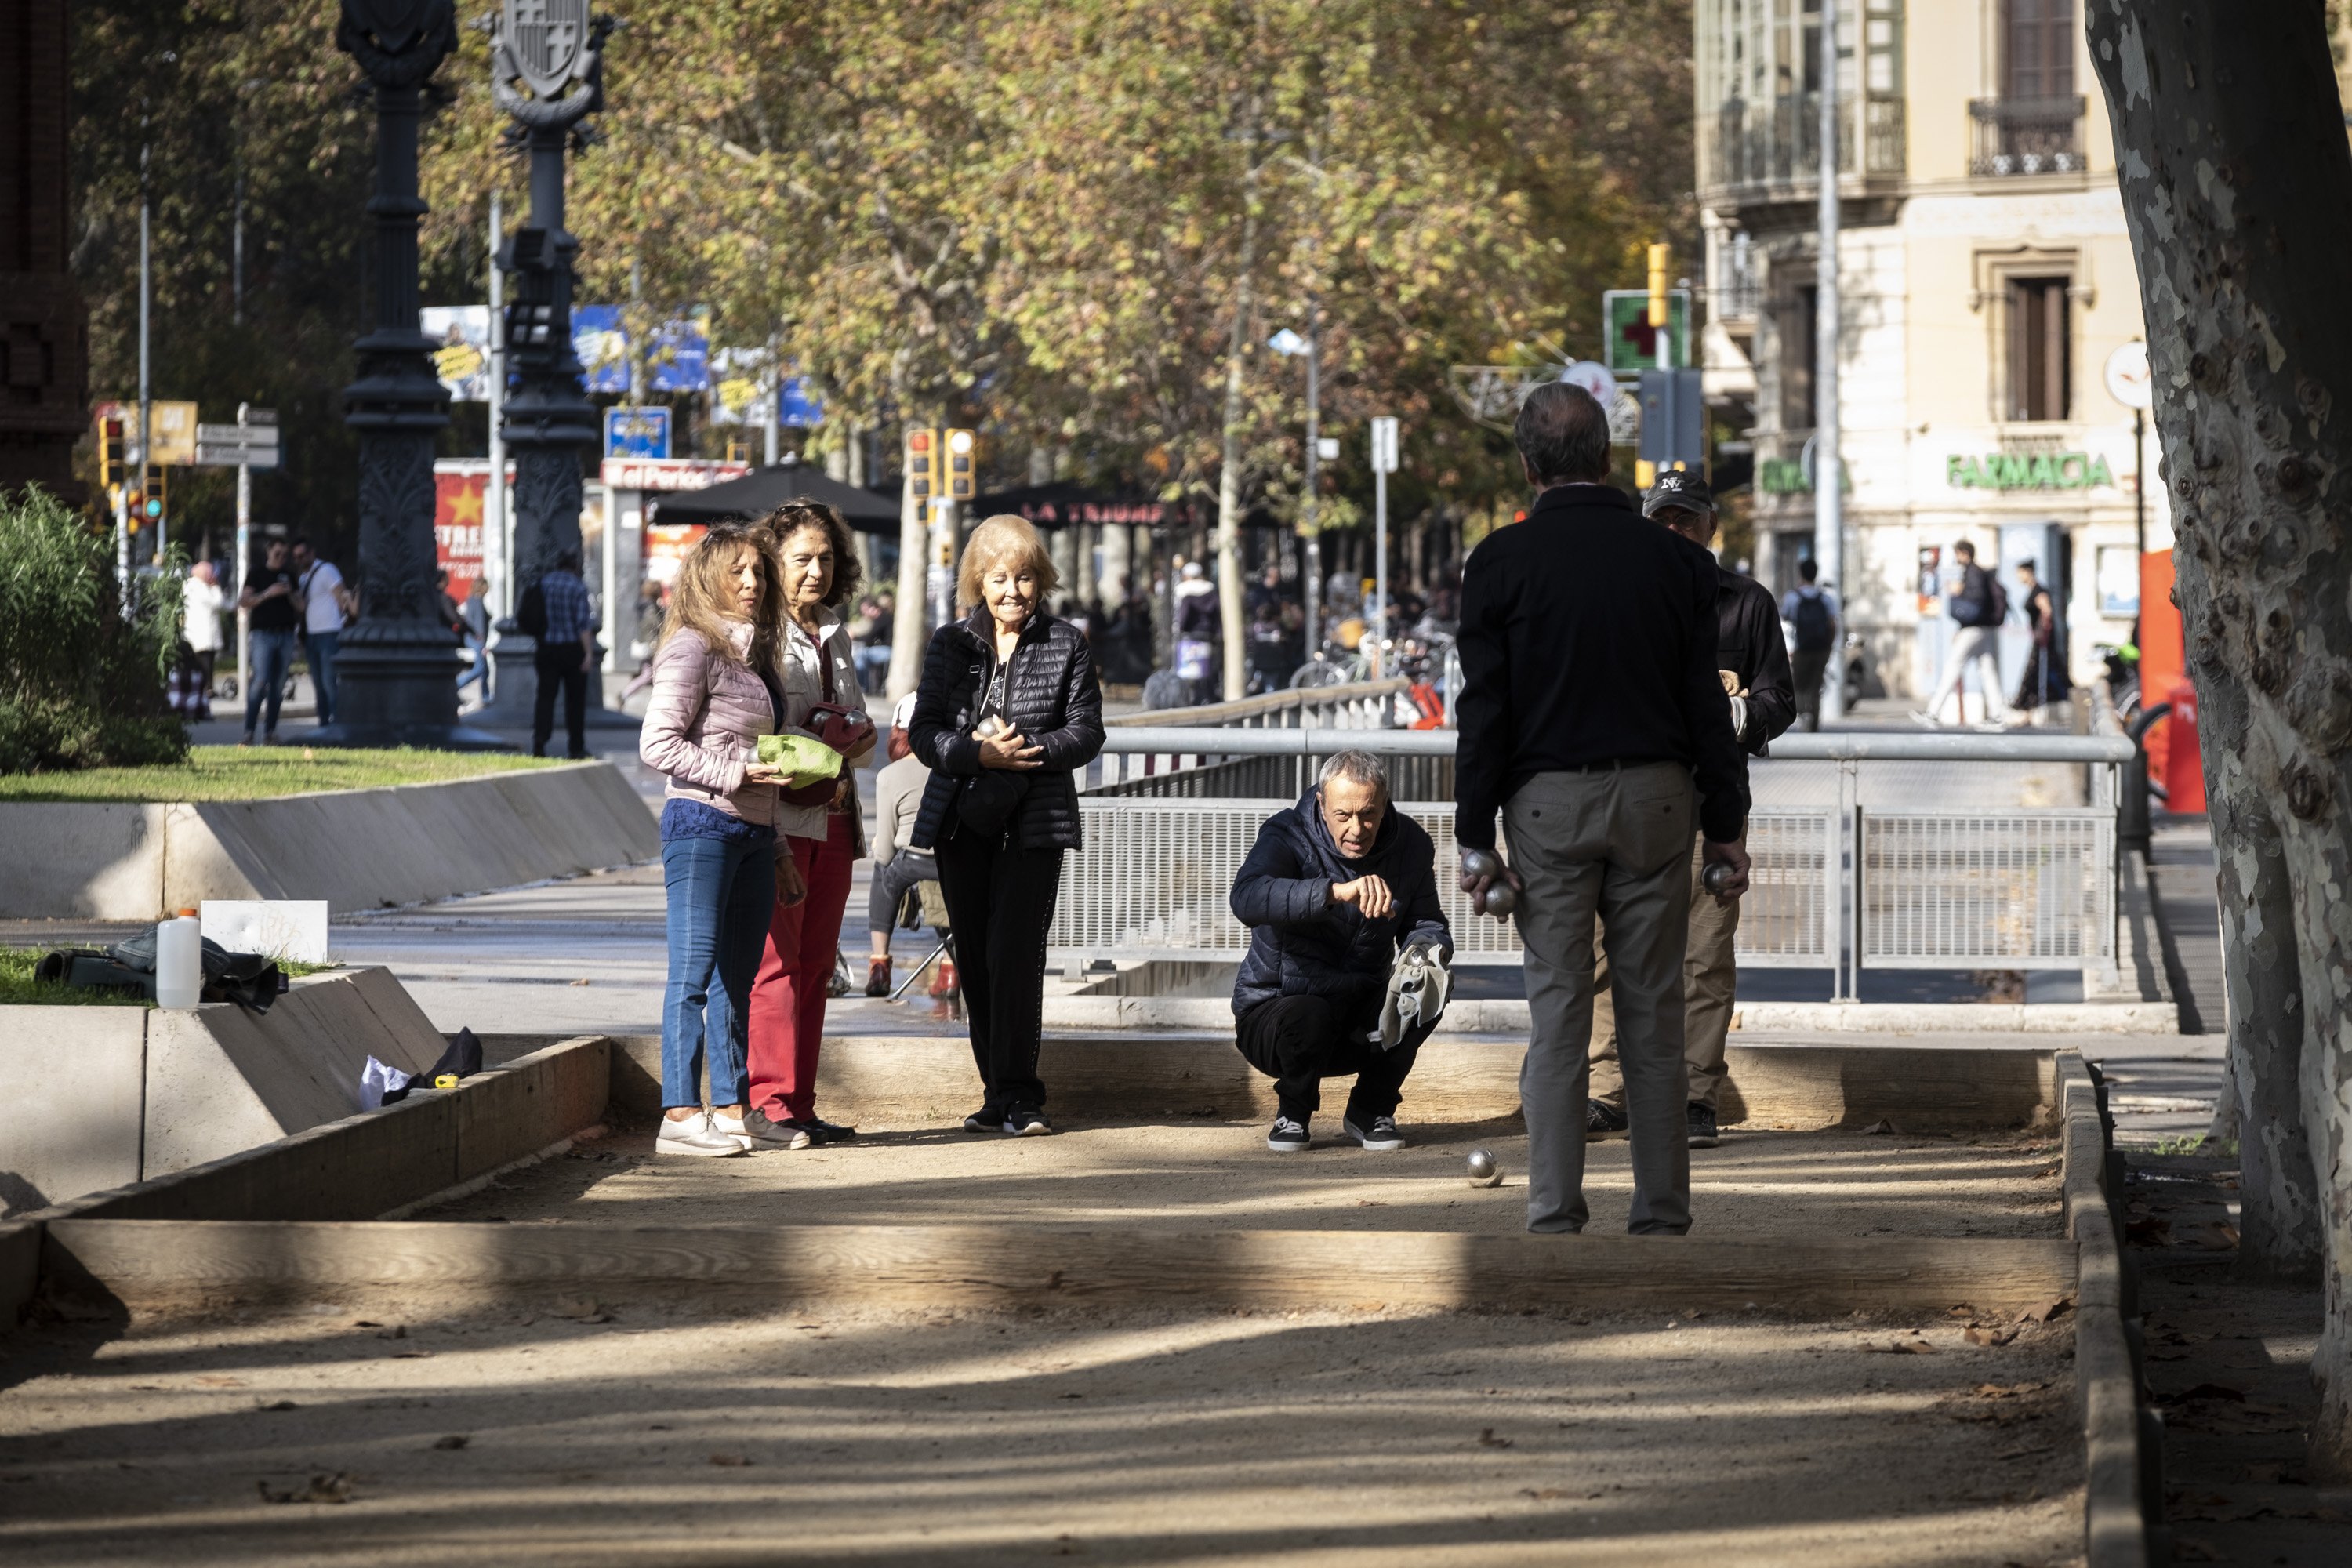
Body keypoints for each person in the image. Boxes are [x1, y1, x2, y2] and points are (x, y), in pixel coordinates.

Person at [1454, 381, 1751, 1237]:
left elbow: (1486, 711)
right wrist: (1725, 826)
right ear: (1609, 458)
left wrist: (1476, 837)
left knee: (1559, 1012)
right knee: (1653, 1007)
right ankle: (1661, 1210)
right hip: (1660, 798)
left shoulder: (1499, 562)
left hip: (1546, 805)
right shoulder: (1679, 563)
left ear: (1526, 464)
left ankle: (1554, 1210)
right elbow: (1707, 710)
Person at [1587, 471, 1792, 1151]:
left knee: (1703, 956)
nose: (1675, 530)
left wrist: (1735, 716)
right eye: (1663, 519)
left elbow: (1779, 701)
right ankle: (1604, 1092)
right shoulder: (1614, 595)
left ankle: (1694, 1096)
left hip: (1711, 809)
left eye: (1688, 519)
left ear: (1711, 527)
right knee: (1606, 954)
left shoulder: (1748, 604)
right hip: (1624, 804)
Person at [908, 514, 1105, 1137]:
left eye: (1023, 578)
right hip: (961, 821)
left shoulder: (1067, 643)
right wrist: (976, 754)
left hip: (1034, 822)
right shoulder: (950, 644)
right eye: (999, 578)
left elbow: (1087, 732)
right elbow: (924, 732)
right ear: (978, 581)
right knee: (977, 961)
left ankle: (1022, 1095)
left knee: (1016, 955)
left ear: (1040, 580)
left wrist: (1028, 754)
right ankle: (995, 1092)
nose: (1012, 591)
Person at [638, 522, 804, 1158]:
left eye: (759, 573)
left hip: (754, 834)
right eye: (738, 571)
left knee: (738, 979)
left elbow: (763, 764)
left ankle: (733, 1110)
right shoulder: (692, 647)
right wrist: (734, 773)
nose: (752, 583)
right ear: (707, 578)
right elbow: (658, 745)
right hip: (701, 827)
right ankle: (680, 1113)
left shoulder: (753, 659)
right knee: (693, 971)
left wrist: (781, 848)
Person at [1229, 750, 1453, 1152]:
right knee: (1309, 1012)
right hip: (1274, 1016)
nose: (1357, 829)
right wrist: (1332, 893)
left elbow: (1427, 924)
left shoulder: (1412, 845)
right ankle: (1293, 1113)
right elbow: (1245, 898)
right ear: (1321, 802)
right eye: (1343, 815)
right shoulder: (1285, 833)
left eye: (1368, 814)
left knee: (1428, 988)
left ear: (1384, 805)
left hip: (1359, 1018)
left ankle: (1371, 1110)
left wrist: (1423, 954)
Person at [746, 499, 877, 1148]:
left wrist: (859, 732)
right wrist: (822, 739)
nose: (816, 571)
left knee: (819, 965)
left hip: (837, 819)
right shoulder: (757, 634)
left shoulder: (836, 631)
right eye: (801, 559)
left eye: (826, 558)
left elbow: (856, 722)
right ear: (773, 562)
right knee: (778, 963)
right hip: (783, 819)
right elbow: (755, 731)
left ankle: (800, 1100)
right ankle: (769, 1103)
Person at [865, 691, 936, 996]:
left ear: (898, 730)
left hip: (912, 861)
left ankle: (879, 963)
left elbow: (884, 852)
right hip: (953, 863)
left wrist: (883, 842)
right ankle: (950, 968)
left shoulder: (890, 775)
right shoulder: (955, 766)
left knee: (883, 869)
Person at [1917, 539, 2010, 728]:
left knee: (1954, 665)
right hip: (1984, 628)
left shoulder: (1973, 573)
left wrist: (1958, 593)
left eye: (1957, 553)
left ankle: (1933, 712)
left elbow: (1975, 604)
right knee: (1987, 671)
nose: (1957, 558)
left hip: (1974, 629)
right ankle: (1997, 716)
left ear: (1964, 553)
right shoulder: (1978, 573)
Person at [533, 549, 598, 760]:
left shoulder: (543, 584)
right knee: (575, 701)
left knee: (545, 697)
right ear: (574, 567)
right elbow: (582, 625)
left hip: (547, 649)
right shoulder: (577, 587)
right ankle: (576, 746)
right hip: (572, 650)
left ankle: (540, 741)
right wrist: (588, 653)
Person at [238, 539, 301, 746]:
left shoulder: (290, 575)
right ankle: (249, 731)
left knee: (278, 686)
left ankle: (270, 732)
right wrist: (267, 593)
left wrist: (289, 592)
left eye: (284, 555)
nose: (281, 558)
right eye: (277, 554)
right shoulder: (257, 573)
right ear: (268, 552)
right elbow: (244, 601)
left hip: (285, 634)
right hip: (263, 634)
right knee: (259, 681)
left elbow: (302, 606)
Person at [290, 537, 352, 727]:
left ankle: (336, 720)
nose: (299, 560)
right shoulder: (303, 578)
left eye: (302, 556)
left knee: (329, 680)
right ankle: (324, 722)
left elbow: (342, 597)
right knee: (318, 682)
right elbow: (302, 607)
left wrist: (343, 620)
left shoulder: (326, 571)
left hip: (329, 631)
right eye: (296, 557)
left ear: (311, 553)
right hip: (312, 635)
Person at [1780, 557, 1841, 733]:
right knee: (1815, 687)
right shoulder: (1826, 598)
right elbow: (1832, 625)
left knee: (1798, 685)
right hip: (1821, 649)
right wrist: (1829, 648)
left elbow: (1786, 621)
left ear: (1801, 573)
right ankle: (1814, 725)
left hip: (1800, 648)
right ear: (1816, 574)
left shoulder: (1792, 597)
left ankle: (1803, 713)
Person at [2010, 558, 2071, 725]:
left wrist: (2042, 630)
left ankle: (2028, 708)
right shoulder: (2033, 589)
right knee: (2039, 670)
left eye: (2020, 573)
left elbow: (2047, 611)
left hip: (2043, 640)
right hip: (2039, 638)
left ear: (2028, 571)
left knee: (2039, 670)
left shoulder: (2038, 591)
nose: (2019, 577)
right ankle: (2030, 707)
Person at [1174, 558, 1220, 702]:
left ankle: (1188, 699)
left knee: (1187, 670)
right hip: (1207, 636)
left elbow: (1183, 618)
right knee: (1205, 670)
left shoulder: (1184, 593)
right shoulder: (1211, 592)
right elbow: (1217, 616)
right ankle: (1207, 697)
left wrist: (1180, 629)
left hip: (1189, 637)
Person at [182, 560, 226, 699]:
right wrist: (215, 586)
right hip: (205, 633)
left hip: (193, 633)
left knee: (195, 663)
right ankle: (207, 688)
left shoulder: (188, 586)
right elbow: (218, 602)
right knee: (206, 664)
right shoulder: (202, 587)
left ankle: (199, 688)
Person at [619, 579, 666, 701]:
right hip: (650, 644)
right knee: (648, 674)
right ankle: (624, 695)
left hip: (645, 643)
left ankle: (625, 695)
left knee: (650, 673)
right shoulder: (651, 608)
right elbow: (654, 624)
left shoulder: (643, 605)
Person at [456, 577, 492, 698]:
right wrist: (483, 645)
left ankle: (486, 695)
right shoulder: (478, 600)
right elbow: (480, 624)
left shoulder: (470, 599)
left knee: (485, 670)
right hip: (477, 640)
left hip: (470, 638)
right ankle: (457, 684)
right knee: (480, 668)